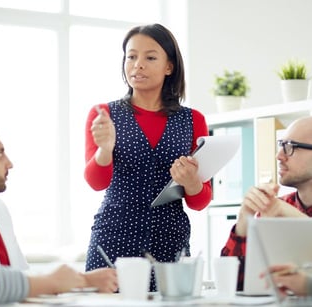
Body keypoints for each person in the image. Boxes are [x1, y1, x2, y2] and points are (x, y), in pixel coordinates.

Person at [84, 23, 212, 290]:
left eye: (150, 57)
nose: (137, 65)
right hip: (113, 240)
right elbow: (96, 182)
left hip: (169, 242)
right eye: (131, 56)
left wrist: (191, 181)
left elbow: (200, 201)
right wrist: (105, 149)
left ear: (169, 66)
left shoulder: (193, 120)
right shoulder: (103, 115)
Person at [0, 111, 118, 303]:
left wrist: (79, 282)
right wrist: (78, 281)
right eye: (0, 154)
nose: (9, 163)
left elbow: (21, 277)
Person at [221, 116, 312, 290]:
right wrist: (244, 221)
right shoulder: (275, 208)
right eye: (281, 145)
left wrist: (295, 217)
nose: (279, 155)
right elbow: (235, 284)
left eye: (290, 147)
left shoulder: (283, 210)